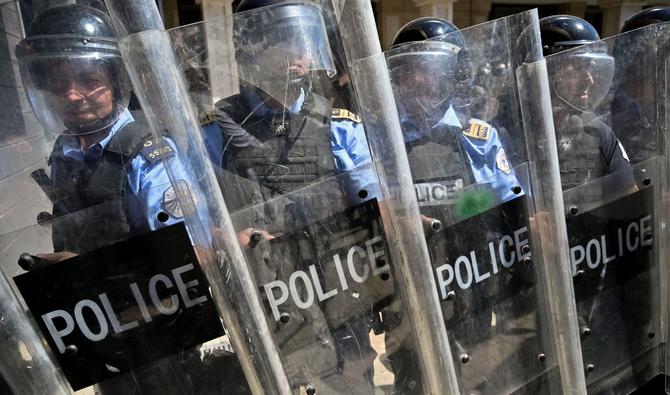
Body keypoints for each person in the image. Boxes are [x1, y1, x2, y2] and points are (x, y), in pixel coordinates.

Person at [15, 4, 232, 394]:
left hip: (163, 342)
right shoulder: (66, 154)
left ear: (115, 80)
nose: (72, 95)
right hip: (107, 337)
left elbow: (190, 257)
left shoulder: (146, 154)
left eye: (88, 80)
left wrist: (87, 272)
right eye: (57, 82)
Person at [199, 0, 378, 392]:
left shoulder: (339, 127)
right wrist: (224, 236)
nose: (302, 54)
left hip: (335, 294)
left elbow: (375, 207)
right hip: (261, 304)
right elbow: (190, 222)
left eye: (307, 41)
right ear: (252, 49)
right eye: (286, 41)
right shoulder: (214, 132)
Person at [381, 17, 527, 393]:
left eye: (430, 71)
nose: (418, 81)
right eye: (409, 70)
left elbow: (508, 207)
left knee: (473, 380)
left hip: (469, 285)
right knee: (412, 380)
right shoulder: (379, 140)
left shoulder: (478, 136)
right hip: (408, 289)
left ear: (452, 76)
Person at [540, 15, 634, 192]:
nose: (589, 80)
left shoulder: (598, 131)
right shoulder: (514, 136)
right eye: (576, 69)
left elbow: (631, 198)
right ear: (546, 74)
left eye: (588, 68)